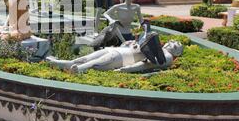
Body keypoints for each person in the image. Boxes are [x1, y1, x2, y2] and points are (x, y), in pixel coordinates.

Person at [46, 40, 183, 74]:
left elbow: (145, 64)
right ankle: (58, 63)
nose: (173, 42)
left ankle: (77, 71)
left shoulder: (167, 56)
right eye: (173, 41)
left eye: (177, 45)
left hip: (121, 58)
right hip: (116, 50)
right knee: (82, 59)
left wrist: (125, 70)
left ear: (177, 53)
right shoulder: (158, 47)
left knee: (92, 64)